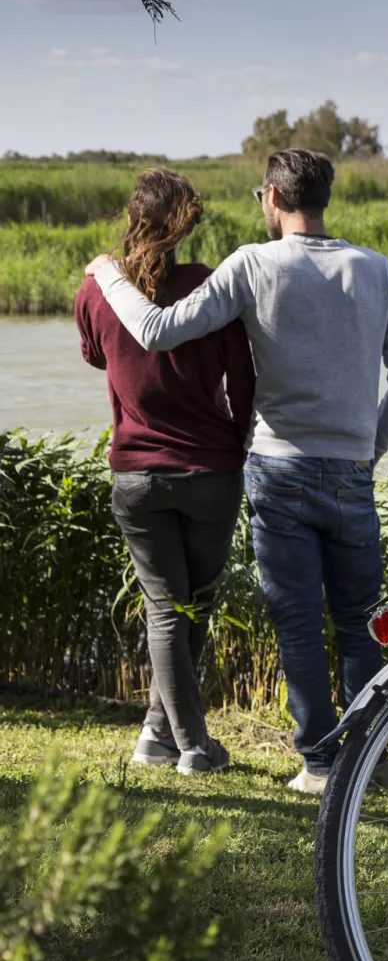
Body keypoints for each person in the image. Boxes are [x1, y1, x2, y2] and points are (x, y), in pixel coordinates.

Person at [86, 149, 388, 794]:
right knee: (360, 621)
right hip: (351, 470)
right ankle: (370, 760)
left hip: (279, 469)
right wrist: (365, 453)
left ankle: (321, 765)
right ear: (323, 197)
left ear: (271, 196)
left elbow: (157, 331)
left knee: (297, 621)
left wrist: (108, 275)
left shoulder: (252, 264)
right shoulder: (375, 270)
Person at [75, 168, 255, 776]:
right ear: (183, 225)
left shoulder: (98, 290)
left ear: (133, 216)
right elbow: (244, 378)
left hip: (136, 475)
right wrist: (235, 442)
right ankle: (195, 747)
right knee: (189, 608)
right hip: (210, 472)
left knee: (171, 609)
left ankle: (158, 734)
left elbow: (95, 354)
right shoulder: (207, 288)